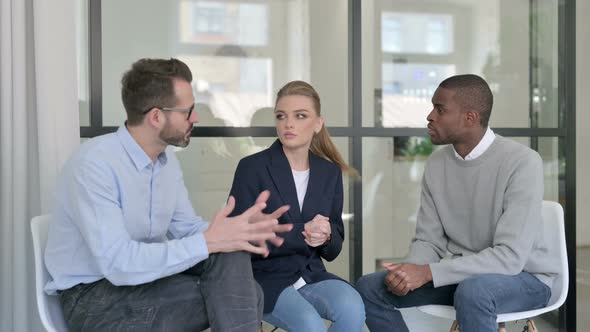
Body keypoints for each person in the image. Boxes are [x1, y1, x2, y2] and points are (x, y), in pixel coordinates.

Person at [44, 58, 292, 332]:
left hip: (144, 283)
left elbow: (185, 228)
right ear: (156, 117)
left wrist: (234, 231)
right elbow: (118, 264)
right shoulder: (94, 165)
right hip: (93, 298)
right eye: (188, 111)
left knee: (230, 255)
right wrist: (209, 242)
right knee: (239, 296)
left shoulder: (166, 161)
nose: (195, 118)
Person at [355, 74, 559, 332]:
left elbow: (510, 258)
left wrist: (428, 273)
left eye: (440, 109)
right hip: (465, 279)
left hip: (525, 279)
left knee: (474, 291)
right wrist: (409, 271)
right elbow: (428, 240)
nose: (430, 116)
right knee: (370, 287)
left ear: (469, 118)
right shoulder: (437, 164)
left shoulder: (522, 162)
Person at [228, 81, 366, 331]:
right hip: (264, 277)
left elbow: (333, 249)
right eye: (281, 116)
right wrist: (304, 231)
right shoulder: (252, 168)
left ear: (318, 123)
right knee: (309, 324)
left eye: (300, 116)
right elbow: (240, 237)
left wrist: (325, 236)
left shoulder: (329, 172)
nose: (288, 124)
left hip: (311, 274)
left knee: (353, 306)